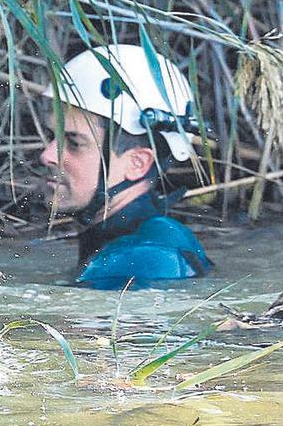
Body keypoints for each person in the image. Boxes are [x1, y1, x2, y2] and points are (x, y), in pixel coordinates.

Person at [39, 44, 213, 290]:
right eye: (52, 137)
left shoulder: (140, 259)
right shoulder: (150, 243)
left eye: (74, 143)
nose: (47, 155)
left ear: (137, 163)